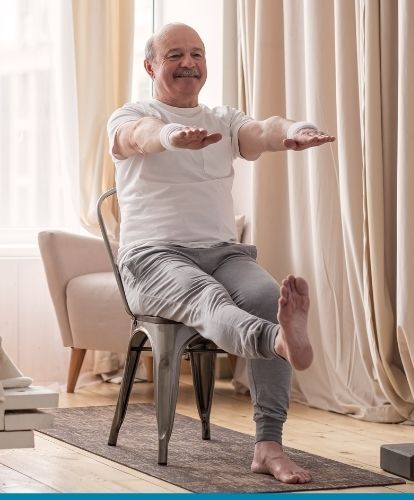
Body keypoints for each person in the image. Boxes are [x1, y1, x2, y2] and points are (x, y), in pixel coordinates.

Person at [107, 22, 335, 484]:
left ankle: (267, 447)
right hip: (153, 258)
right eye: (175, 55)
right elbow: (140, 135)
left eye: (197, 53)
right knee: (207, 300)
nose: (188, 63)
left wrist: (294, 131)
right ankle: (276, 341)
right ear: (150, 66)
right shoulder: (129, 113)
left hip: (223, 253)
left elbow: (260, 131)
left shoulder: (221, 118)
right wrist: (172, 137)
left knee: (269, 297)